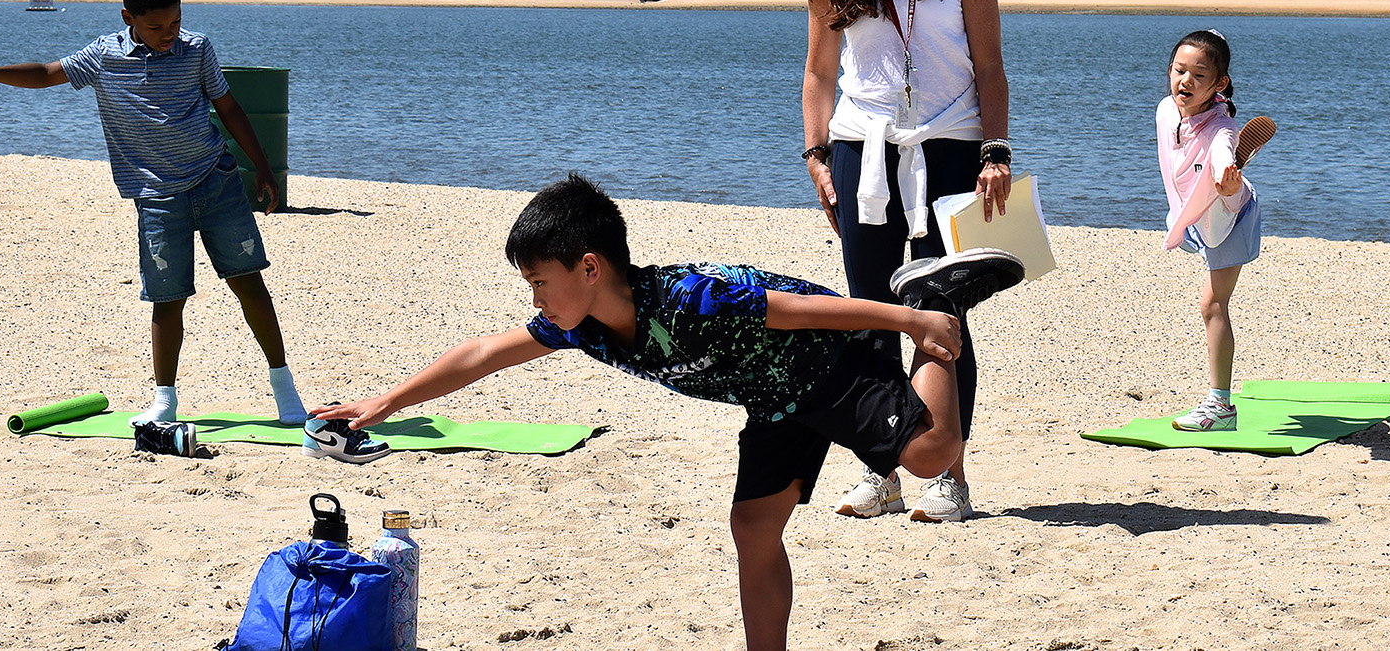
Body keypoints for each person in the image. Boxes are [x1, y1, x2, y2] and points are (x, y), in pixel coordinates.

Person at [308, 174, 1022, 651]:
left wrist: (904, 321)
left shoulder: (690, 296)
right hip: (774, 400)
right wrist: (387, 401)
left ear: (590, 267)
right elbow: (485, 353)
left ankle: (939, 302)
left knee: (928, 458)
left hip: (830, 362)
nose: (535, 300)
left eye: (540, 282)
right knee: (753, 526)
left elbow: (797, 306)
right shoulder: (579, 324)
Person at [0, 0, 314, 433]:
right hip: (157, 198)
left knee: (247, 283)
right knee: (168, 298)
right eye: (157, 26)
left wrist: (262, 167)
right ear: (128, 18)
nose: (169, 33)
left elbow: (229, 108)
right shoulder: (103, 57)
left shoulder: (197, 49)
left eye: (175, 22)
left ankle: (286, 390)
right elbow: (45, 73)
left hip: (216, 182)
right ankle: (165, 401)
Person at [799, 0, 1013, 523]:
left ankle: (949, 474)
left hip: (951, 147)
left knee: (940, 310)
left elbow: (990, 67)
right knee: (868, 311)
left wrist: (996, 151)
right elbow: (819, 74)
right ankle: (880, 469)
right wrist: (816, 154)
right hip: (862, 151)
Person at [1154, 30, 1273, 432]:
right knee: (1197, 236)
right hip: (1198, 213)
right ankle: (1222, 187)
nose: (1184, 81)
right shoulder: (1166, 111)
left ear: (1219, 83)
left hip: (1232, 214)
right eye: (1179, 70)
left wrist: (1227, 172)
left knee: (1212, 305)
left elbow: (1221, 143)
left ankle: (1221, 407)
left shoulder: (1221, 129)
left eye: (1198, 76)